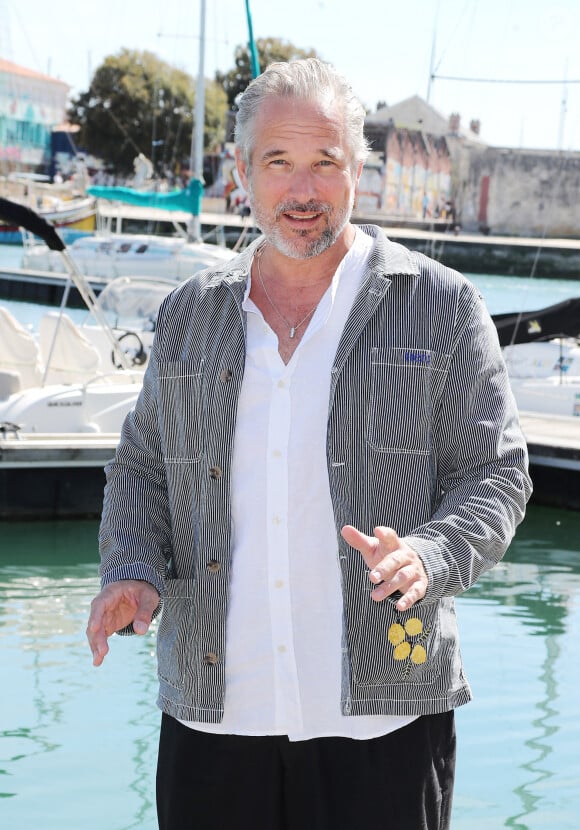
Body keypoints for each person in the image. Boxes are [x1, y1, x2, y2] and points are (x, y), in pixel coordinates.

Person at [87, 58, 532, 830]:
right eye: (278, 163)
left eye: (325, 162)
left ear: (358, 168)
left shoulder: (443, 306)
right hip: (213, 719)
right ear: (242, 172)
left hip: (385, 722)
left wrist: (427, 554)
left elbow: (494, 477)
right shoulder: (189, 314)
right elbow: (141, 468)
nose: (302, 190)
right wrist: (131, 570)